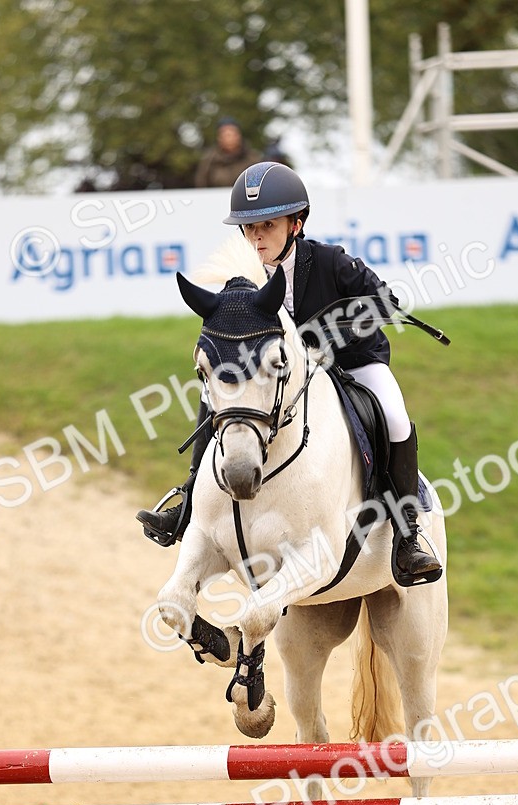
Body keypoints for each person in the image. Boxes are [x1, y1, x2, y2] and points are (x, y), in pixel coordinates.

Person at [137, 161, 442, 584]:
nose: (256, 237)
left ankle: (408, 534)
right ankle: (188, 501)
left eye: (267, 225)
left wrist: (338, 330)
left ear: (296, 224)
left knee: (393, 414)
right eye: (249, 228)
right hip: (284, 377)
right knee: (215, 398)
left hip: (353, 363)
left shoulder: (331, 262)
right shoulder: (244, 279)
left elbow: (384, 301)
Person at [194, 117, 261, 189]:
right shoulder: (209, 160)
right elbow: (201, 184)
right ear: (219, 137)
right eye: (225, 134)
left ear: (238, 136)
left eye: (232, 133)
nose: (229, 137)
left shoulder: (253, 158)